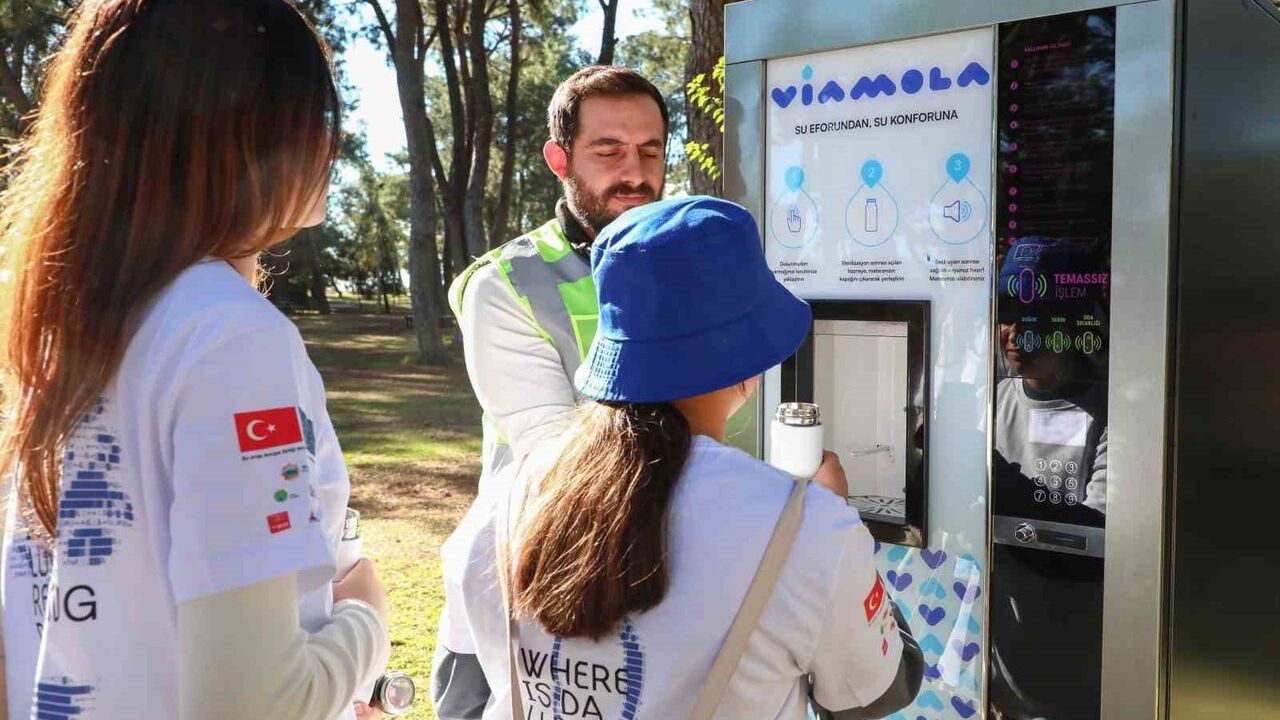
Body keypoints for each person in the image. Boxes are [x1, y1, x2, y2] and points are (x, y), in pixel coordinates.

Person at [0, 2, 389, 718]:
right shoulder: (230, 339)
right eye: (316, 115)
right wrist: (366, 618)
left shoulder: (52, 335)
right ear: (244, 131)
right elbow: (255, 706)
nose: (332, 146)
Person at [434, 197, 923, 719]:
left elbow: (461, 693)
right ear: (748, 365)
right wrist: (834, 515)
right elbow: (876, 692)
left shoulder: (504, 501)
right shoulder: (808, 528)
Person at [447, 66, 669, 494]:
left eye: (649, 152)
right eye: (609, 152)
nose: (635, 174)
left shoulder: (688, 263)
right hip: (561, 531)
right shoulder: (505, 285)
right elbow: (558, 466)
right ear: (559, 160)